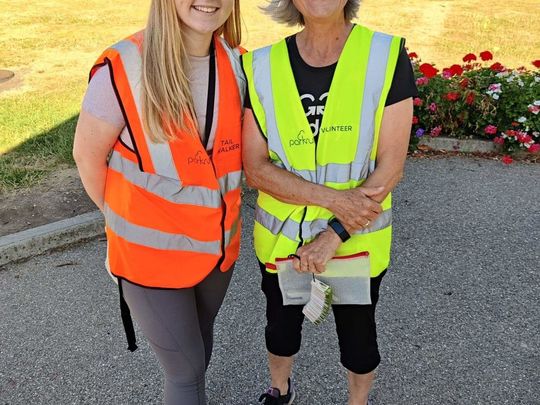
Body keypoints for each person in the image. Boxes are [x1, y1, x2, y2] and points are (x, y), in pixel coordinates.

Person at [241, 1, 417, 404]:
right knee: (280, 331)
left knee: (358, 340)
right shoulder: (260, 66)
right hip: (283, 242)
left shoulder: (385, 55)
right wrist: (335, 201)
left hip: (356, 241)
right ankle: (279, 389)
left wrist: (332, 236)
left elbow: (390, 167)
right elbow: (255, 167)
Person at [73, 1, 245, 404]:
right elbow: (87, 156)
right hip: (150, 258)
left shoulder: (238, 66)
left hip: (217, 254)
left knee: (198, 355)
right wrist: (121, 219)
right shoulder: (125, 67)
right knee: (184, 372)